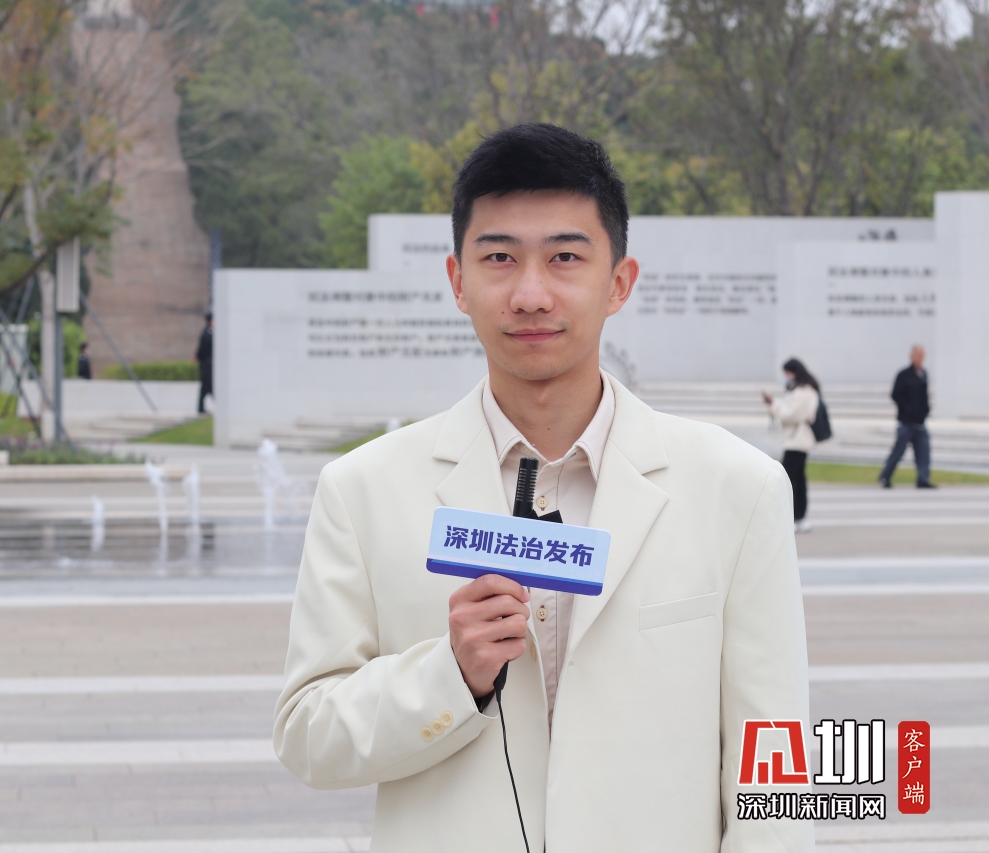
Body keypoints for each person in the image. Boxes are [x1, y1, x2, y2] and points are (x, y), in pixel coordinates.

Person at [274, 125, 810, 853]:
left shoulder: (736, 489)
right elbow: (308, 734)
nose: (530, 294)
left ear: (619, 282)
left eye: (565, 257)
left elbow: (775, 756)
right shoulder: (362, 490)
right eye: (499, 258)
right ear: (458, 281)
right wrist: (450, 675)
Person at [762, 358, 820, 533]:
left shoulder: (804, 391)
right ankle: (799, 517)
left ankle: (795, 516)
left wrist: (774, 406)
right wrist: (775, 404)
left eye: (787, 373)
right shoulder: (801, 390)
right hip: (796, 439)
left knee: (791, 480)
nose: (786, 377)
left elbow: (791, 414)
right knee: (798, 479)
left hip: (796, 441)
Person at [879, 345, 934, 489]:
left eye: (921, 356)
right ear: (912, 356)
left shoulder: (923, 374)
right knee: (898, 451)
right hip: (906, 422)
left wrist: (926, 410)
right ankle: (885, 477)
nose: (919, 359)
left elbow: (924, 396)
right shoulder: (904, 375)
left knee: (924, 452)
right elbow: (895, 394)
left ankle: (923, 479)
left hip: (920, 422)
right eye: (917, 355)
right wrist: (907, 408)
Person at [194, 312, 213, 415]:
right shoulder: (206, 333)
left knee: (206, 387)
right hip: (206, 364)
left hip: (209, 364)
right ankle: (201, 408)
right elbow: (202, 348)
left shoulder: (211, 332)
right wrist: (196, 356)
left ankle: (201, 408)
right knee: (208, 385)